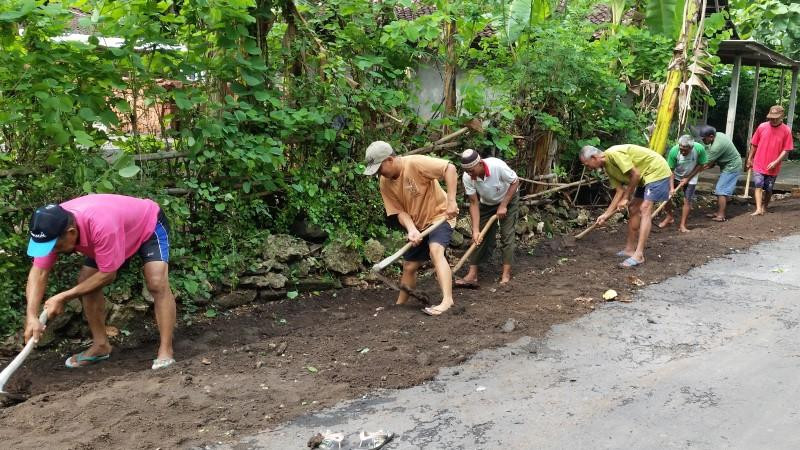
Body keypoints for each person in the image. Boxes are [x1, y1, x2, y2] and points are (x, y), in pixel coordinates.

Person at [24, 195, 176, 370]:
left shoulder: (101, 224)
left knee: (156, 282)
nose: (51, 251)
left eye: (55, 246)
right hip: (112, 234)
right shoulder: (47, 230)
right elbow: (39, 272)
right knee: (86, 282)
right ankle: (101, 345)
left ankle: (166, 350)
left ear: (71, 232)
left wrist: (63, 297)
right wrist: (31, 315)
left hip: (148, 225)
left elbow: (108, 274)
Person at [363, 141, 459, 316]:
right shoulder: (384, 182)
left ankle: (447, 301)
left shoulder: (415, 163)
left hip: (440, 215)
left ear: (390, 159)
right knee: (408, 266)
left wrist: (451, 202)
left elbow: (449, 168)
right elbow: (399, 211)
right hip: (419, 225)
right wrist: (412, 229)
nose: (379, 173)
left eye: (379, 168)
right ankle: (400, 305)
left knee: (435, 250)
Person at [579, 144, 672, 268]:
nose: (588, 168)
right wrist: (606, 215)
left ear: (594, 157)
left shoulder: (614, 154)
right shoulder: (608, 168)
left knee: (645, 208)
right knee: (633, 208)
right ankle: (629, 249)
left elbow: (635, 174)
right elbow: (619, 191)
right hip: (644, 177)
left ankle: (639, 255)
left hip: (656, 170)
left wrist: (626, 197)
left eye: (587, 164)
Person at [454, 149, 520, 287]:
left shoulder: (497, 166)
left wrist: (503, 205)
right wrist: (475, 230)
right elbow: (473, 202)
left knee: (507, 235)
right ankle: (472, 275)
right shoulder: (467, 177)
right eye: (467, 171)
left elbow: (515, 182)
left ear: (480, 163)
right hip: (487, 203)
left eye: (471, 170)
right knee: (478, 238)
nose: (469, 174)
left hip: (508, 199)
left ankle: (506, 274)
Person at [747, 105, 795, 216]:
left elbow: (786, 149)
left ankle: (765, 207)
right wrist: (750, 158)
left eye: (775, 118)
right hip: (759, 162)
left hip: (773, 166)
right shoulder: (762, 126)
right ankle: (758, 209)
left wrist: (776, 162)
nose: (773, 120)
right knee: (758, 184)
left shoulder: (786, 130)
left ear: (782, 116)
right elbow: (754, 144)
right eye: (771, 117)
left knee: (768, 189)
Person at [659, 135, 708, 232]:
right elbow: (670, 170)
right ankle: (669, 217)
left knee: (687, 200)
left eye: (685, 150)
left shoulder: (699, 149)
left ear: (691, 147)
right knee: (665, 196)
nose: (682, 152)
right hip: (675, 174)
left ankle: (682, 225)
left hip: (691, 175)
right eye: (681, 149)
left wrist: (688, 178)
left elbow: (701, 165)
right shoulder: (674, 151)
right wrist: (672, 188)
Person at [697, 125, 743, 221]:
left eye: (704, 139)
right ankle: (719, 212)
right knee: (722, 189)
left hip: (732, 166)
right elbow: (710, 160)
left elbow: (705, 163)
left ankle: (721, 215)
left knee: (721, 190)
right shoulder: (718, 135)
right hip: (728, 164)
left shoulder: (717, 146)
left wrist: (694, 171)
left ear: (711, 136)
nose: (703, 141)